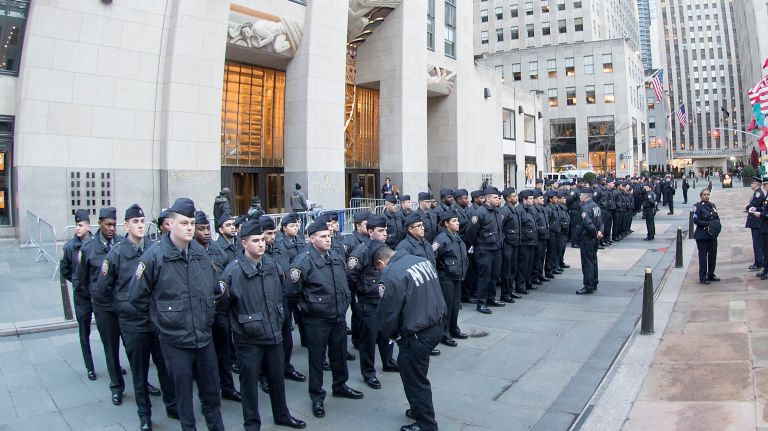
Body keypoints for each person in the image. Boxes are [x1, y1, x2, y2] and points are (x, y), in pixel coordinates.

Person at [129, 198, 225, 431]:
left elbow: (213, 288)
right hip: (175, 340)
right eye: (184, 223)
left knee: (212, 395)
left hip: (203, 337)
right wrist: (160, 323)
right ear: (170, 224)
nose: (190, 227)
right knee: (184, 399)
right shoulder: (154, 257)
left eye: (192, 222)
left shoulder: (202, 255)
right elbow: (137, 297)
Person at [219, 220, 307, 431]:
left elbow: (280, 294)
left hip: (273, 333)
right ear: (243, 243)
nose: (261, 244)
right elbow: (222, 307)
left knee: (277, 379)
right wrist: (237, 329)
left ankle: (282, 414)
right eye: (255, 241)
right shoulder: (233, 273)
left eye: (262, 240)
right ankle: (251, 423)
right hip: (248, 339)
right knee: (249, 384)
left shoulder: (272, 265)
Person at [97, 204, 176, 430]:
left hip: (156, 320)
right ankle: (145, 415)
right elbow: (104, 287)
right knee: (139, 371)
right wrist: (123, 306)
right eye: (135, 222)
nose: (140, 226)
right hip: (133, 322)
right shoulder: (117, 254)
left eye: (142, 222)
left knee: (164, 366)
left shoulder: (154, 248)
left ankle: (172, 406)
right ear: (127, 225)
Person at [286, 219, 364, 419]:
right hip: (317, 319)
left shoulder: (336, 255)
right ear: (311, 239)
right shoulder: (303, 261)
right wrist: (308, 308)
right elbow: (293, 292)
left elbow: (344, 279)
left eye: (328, 236)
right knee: (317, 359)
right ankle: (317, 396)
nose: (328, 239)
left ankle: (340, 385)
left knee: (339, 353)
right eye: (322, 237)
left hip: (337, 314)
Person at [374, 243, 447, 431]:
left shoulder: (391, 274)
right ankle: (418, 409)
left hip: (416, 334)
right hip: (435, 324)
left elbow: (388, 313)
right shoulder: (421, 260)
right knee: (418, 373)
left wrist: (390, 335)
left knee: (415, 380)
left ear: (381, 263)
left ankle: (426, 424)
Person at [78, 207, 124, 405]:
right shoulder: (88, 248)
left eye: (114, 224)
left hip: (123, 303)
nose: (112, 228)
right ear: (100, 224)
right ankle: (116, 386)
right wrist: (96, 296)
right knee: (111, 347)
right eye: (108, 225)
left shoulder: (122, 244)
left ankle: (142, 382)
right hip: (104, 306)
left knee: (132, 346)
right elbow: (82, 279)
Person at [193, 211, 241, 403]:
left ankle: (228, 387)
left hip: (219, 309)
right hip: (198, 312)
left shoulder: (217, 250)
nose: (205, 232)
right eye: (200, 229)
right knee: (202, 357)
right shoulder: (190, 251)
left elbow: (226, 277)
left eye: (207, 229)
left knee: (223, 352)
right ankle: (207, 393)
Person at [347, 216, 398, 390]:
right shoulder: (361, 250)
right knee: (368, 339)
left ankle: (388, 361)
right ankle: (368, 372)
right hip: (368, 301)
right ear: (370, 232)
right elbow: (351, 276)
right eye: (380, 231)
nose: (385, 234)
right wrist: (363, 290)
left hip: (384, 300)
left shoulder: (385, 248)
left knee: (387, 334)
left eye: (385, 230)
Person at [61, 209, 96, 380]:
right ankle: (89, 367)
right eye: (76, 225)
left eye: (81, 225)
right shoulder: (70, 247)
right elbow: (65, 270)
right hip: (82, 296)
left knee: (108, 333)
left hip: (97, 295)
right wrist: (77, 281)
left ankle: (114, 364)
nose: (78, 228)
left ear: (88, 225)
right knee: (84, 332)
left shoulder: (97, 243)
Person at [465, 187, 505, 313]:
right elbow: (471, 233)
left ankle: (491, 298)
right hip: (484, 249)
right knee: (484, 277)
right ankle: (481, 303)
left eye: (498, 197)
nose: (498, 199)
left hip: (496, 249)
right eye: (495, 197)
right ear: (487, 199)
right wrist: (478, 244)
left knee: (494, 276)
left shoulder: (497, 211)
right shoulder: (479, 213)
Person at [433, 210, 469, 346]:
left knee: (455, 305)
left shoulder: (455, 235)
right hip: (446, 277)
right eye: (454, 221)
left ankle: (454, 329)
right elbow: (433, 258)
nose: (457, 223)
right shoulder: (441, 239)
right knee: (446, 307)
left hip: (457, 275)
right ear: (446, 224)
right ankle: (444, 333)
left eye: (457, 220)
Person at [576, 190, 603, 295]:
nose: (579, 197)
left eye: (581, 195)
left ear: (585, 196)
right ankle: (594, 282)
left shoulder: (585, 207)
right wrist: (600, 231)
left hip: (588, 237)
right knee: (593, 260)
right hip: (595, 238)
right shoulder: (595, 205)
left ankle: (588, 285)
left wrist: (596, 232)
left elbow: (588, 223)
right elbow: (600, 221)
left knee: (587, 262)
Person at [693, 189, 721, 284]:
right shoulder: (698, 206)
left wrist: (716, 226)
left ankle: (711, 274)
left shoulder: (712, 206)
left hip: (712, 235)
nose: (706, 196)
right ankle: (703, 276)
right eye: (704, 195)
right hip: (702, 235)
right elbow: (696, 220)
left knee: (713, 255)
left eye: (708, 194)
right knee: (703, 257)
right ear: (701, 196)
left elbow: (717, 218)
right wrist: (709, 224)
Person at [746, 176, 766, 271]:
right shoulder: (756, 193)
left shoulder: (758, 193)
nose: (751, 184)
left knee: (757, 243)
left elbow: (754, 205)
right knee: (756, 243)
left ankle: (759, 262)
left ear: (756, 184)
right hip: (754, 220)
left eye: (753, 183)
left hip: (757, 221)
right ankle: (758, 261)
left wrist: (748, 207)